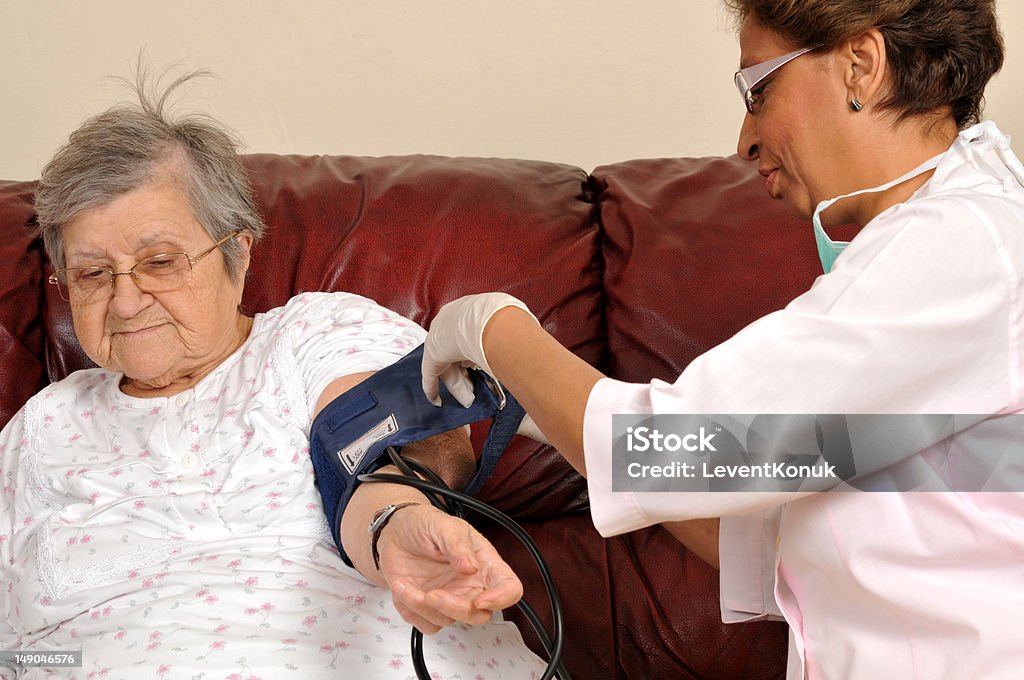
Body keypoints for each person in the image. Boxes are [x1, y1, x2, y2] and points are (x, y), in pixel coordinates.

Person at [419, 1, 1024, 678]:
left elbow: (676, 455)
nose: (744, 140)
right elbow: (796, 550)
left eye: (759, 90)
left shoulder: (961, 246)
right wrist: (544, 418)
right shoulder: (962, 242)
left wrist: (492, 327)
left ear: (863, 65)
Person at [0, 71, 547, 679]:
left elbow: (373, 451)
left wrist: (396, 527)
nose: (126, 301)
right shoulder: (40, 428)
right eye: (93, 274)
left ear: (238, 255)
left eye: (159, 262)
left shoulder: (315, 334)